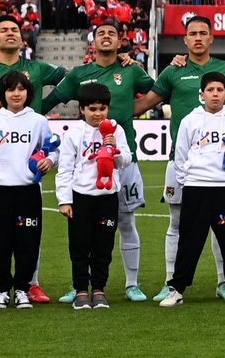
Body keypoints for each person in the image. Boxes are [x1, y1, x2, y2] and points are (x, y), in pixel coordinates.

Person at [135, 16, 225, 302]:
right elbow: (146, 103)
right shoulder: (173, 71)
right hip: (180, 162)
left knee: (223, 227)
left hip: (219, 169)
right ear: (184, 40)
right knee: (177, 222)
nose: (197, 38)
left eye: (203, 33)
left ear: (211, 38)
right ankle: (172, 282)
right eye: (192, 33)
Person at [0, 15, 66, 304]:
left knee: (29, 225)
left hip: (25, 168)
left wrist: (46, 103)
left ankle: (30, 284)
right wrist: (4, 99)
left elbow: (71, 81)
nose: (10, 33)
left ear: (22, 38)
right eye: (3, 29)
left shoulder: (38, 68)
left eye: (15, 30)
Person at [45, 21, 154, 302]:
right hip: (86, 170)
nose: (106, 37)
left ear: (120, 42)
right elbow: (51, 101)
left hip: (123, 161)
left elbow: (159, 90)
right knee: (82, 233)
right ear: (93, 42)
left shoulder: (131, 69)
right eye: (101, 33)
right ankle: (79, 285)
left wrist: (132, 111)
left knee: (127, 222)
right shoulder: (80, 74)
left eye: (112, 34)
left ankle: (131, 284)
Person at [159, 72, 225, 308]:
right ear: (201, 94)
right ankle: (177, 289)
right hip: (196, 190)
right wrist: (189, 182)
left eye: (219, 90)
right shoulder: (189, 121)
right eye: (210, 90)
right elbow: (180, 157)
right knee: (190, 241)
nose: (215, 94)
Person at [0, 71, 58, 310]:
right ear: (3, 93)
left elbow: (52, 149)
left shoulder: (38, 121)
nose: (16, 94)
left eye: (21, 89)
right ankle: (2, 290)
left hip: (28, 191)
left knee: (28, 242)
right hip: (0, 191)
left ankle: (22, 289)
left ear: (28, 93)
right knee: (1, 242)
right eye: (11, 89)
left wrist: (50, 161)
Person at [55, 82, 132, 310]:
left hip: (107, 197)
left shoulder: (116, 130)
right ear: (82, 110)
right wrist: (64, 200)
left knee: (103, 246)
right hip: (81, 197)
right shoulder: (74, 133)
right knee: (79, 246)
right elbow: (65, 168)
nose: (98, 114)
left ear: (108, 109)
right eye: (92, 109)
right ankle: (80, 290)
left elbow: (126, 160)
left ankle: (98, 289)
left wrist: (115, 149)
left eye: (102, 109)